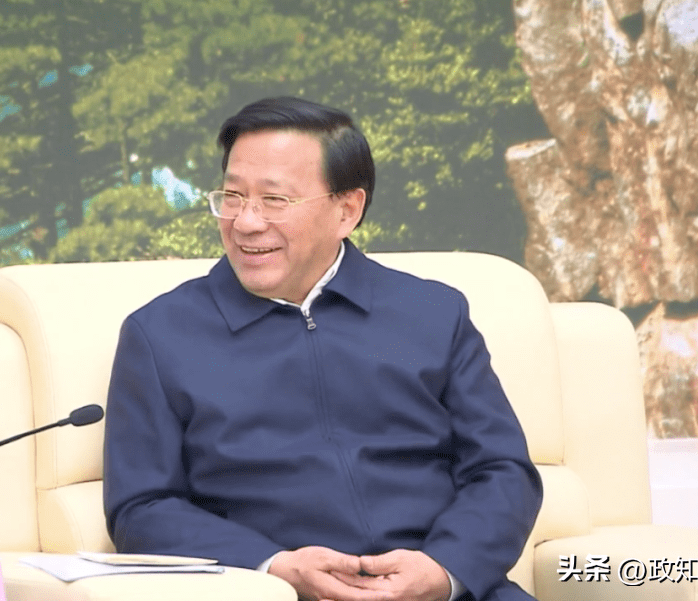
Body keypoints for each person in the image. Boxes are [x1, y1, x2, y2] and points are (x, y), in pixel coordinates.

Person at [103, 97, 543, 601]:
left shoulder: (435, 314)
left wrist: (443, 570)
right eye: (232, 196)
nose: (245, 222)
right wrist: (273, 567)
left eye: (274, 200)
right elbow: (142, 508)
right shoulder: (159, 335)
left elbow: (502, 471)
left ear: (346, 210)